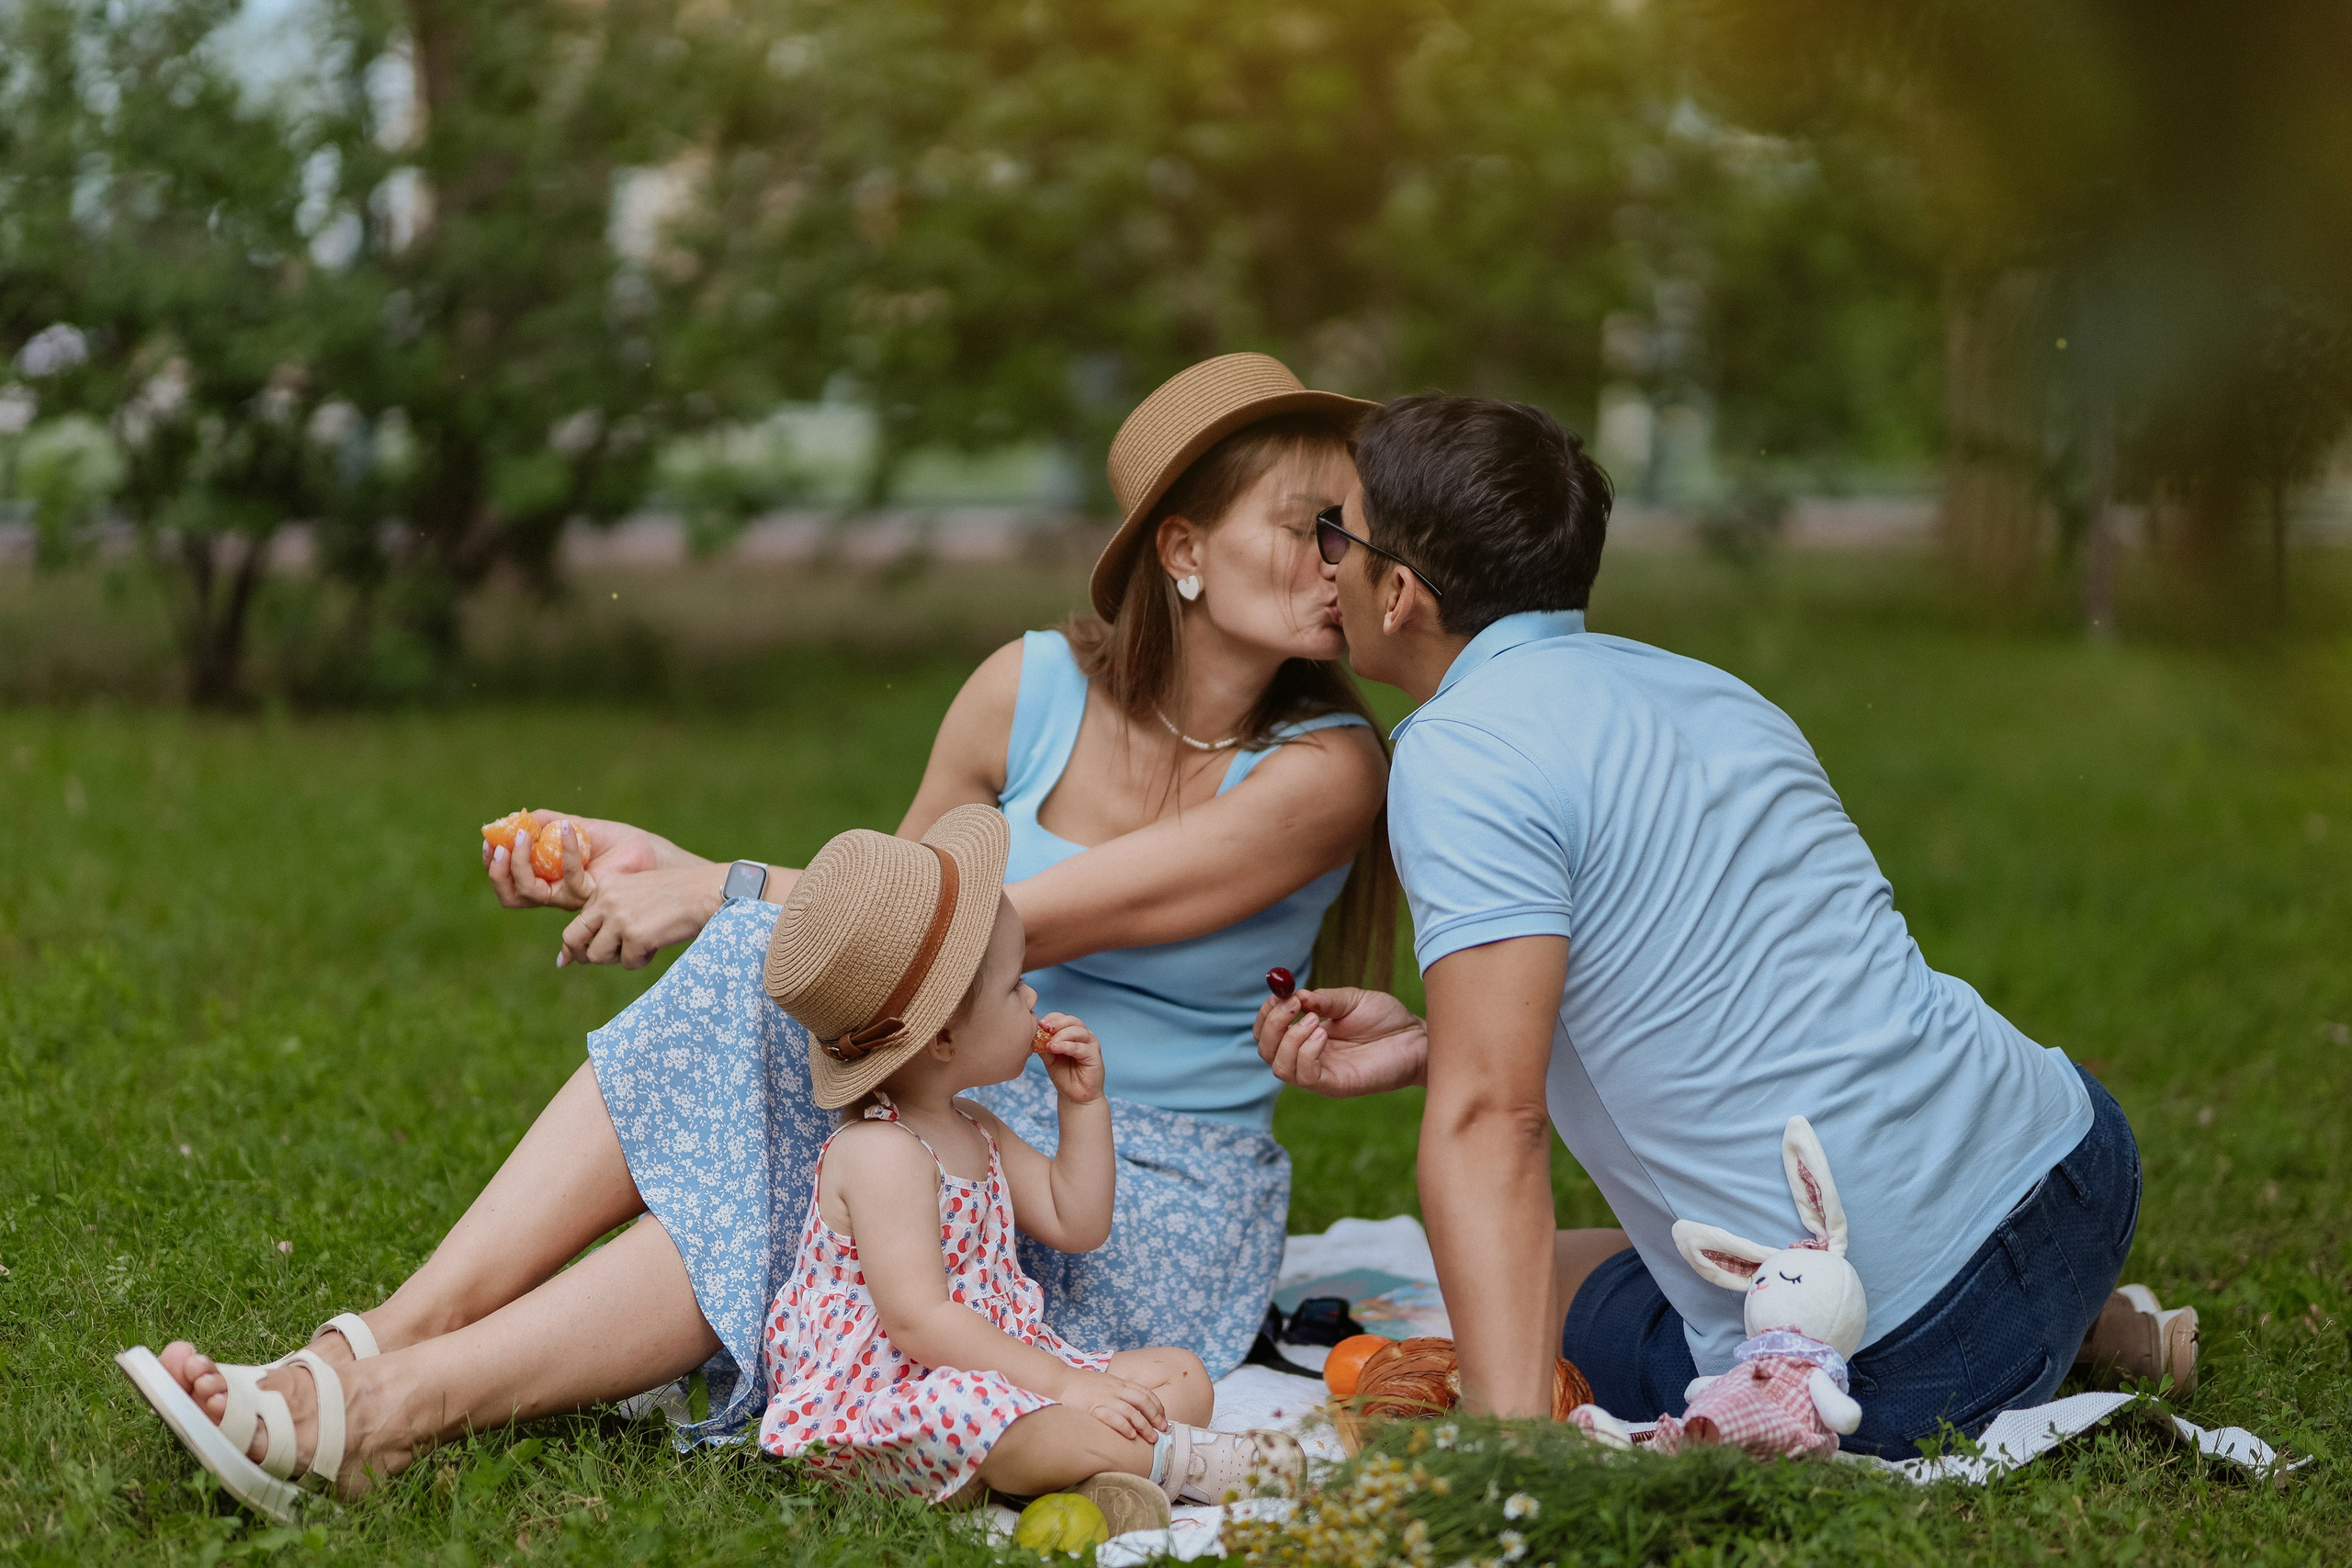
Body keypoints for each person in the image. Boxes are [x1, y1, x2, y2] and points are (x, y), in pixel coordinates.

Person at [124, 353, 1392, 1503]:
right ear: (1182, 547)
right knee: (795, 1062)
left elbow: (1012, 918)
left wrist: (716, 883)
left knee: (792, 1086)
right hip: (962, 1094)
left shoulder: (1329, 767)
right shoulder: (1027, 691)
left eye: (1352, 529)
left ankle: (388, 1393)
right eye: (1309, 525)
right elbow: (899, 940)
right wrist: (715, 885)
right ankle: (383, 1348)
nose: (1344, 559)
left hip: (1128, 1188)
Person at [1255, 394, 2180, 1460]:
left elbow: (1488, 1126)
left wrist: (1507, 1459)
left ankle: (2018, 1357)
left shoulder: (1458, 751)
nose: (1325, 561)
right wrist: (1434, 1044)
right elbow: (1750, 991)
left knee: (1535, 1300)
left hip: (1905, 1349)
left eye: (1339, 534)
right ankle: (2076, 1329)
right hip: (2074, 1166)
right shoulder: (1712, 690)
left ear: (1402, 592)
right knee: (1556, 1264)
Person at [756, 807, 1300, 1518]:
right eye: (1016, 984)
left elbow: (1077, 1221)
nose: (1035, 996)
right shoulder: (880, 1152)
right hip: (895, 1400)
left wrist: (1082, 1106)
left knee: (1180, 1373)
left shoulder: (975, 1125)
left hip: (1004, 1365)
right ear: (945, 1036)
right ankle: (1184, 1462)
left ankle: (1086, 1469)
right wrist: (1064, 1383)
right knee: (991, 1410)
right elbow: (919, 1322)